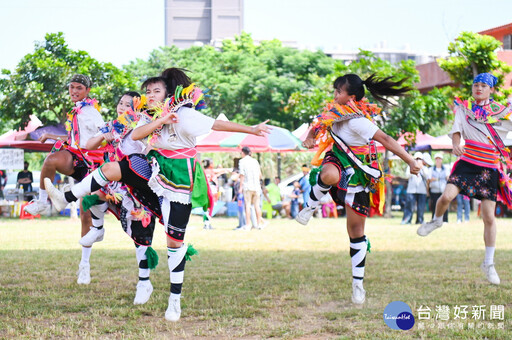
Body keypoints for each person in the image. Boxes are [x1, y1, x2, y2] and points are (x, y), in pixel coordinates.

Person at [47, 68, 270, 321]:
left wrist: (251, 129)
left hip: (179, 179)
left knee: (174, 243)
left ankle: (174, 300)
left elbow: (216, 123)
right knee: (112, 169)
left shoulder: (184, 114)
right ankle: (65, 198)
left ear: (168, 93)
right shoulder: (149, 115)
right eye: (148, 91)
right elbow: (137, 134)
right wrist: (160, 121)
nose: (150, 95)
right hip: (154, 169)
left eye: (156, 91)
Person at [296, 73, 421, 304]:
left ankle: (357, 285)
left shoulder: (358, 120)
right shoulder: (333, 111)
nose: (335, 95)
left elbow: (386, 139)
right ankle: (309, 207)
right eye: (334, 91)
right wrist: (310, 137)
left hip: (361, 173)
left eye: (339, 92)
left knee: (355, 232)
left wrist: (410, 160)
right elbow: (318, 126)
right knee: (328, 174)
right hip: (337, 160)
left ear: (351, 96)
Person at [417, 73, 512, 285]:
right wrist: (456, 143)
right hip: (467, 162)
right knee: (446, 197)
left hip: (489, 167)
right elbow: (456, 130)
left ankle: (489, 263)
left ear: (491, 90)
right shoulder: (464, 107)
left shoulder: (502, 112)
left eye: (483, 85)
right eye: (475, 84)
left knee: (489, 216)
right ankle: (437, 220)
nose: (478, 88)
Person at [26, 74, 106, 285]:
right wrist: (52, 136)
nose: (73, 91)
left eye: (78, 88)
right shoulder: (75, 112)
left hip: (92, 164)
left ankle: (84, 266)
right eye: (71, 87)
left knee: (86, 215)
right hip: (76, 157)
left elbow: (105, 136)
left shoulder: (92, 113)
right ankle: (42, 201)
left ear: (87, 91)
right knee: (51, 159)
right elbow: (73, 140)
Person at [238, 146, 266, 230]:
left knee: (247, 205)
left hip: (247, 186)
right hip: (256, 186)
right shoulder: (255, 161)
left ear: (243, 152)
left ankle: (248, 224)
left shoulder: (242, 161)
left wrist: (240, 187)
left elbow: (242, 175)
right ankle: (259, 224)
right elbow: (260, 175)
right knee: (257, 206)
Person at [401, 152, 430, 225]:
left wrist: (421, 168)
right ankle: (407, 220)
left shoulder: (425, 168)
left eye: (420, 159)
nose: (418, 160)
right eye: (416, 159)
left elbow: (427, 177)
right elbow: (407, 176)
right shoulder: (409, 166)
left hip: (422, 190)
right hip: (411, 190)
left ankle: (420, 220)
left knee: (421, 207)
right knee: (409, 206)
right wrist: (413, 169)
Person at [428, 152, 449, 223]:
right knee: (434, 205)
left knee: (444, 205)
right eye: (436, 159)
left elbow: (448, 178)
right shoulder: (431, 169)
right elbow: (429, 179)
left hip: (443, 190)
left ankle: (445, 219)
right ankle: (434, 219)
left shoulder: (445, 169)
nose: (438, 160)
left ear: (441, 160)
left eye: (439, 159)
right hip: (434, 190)